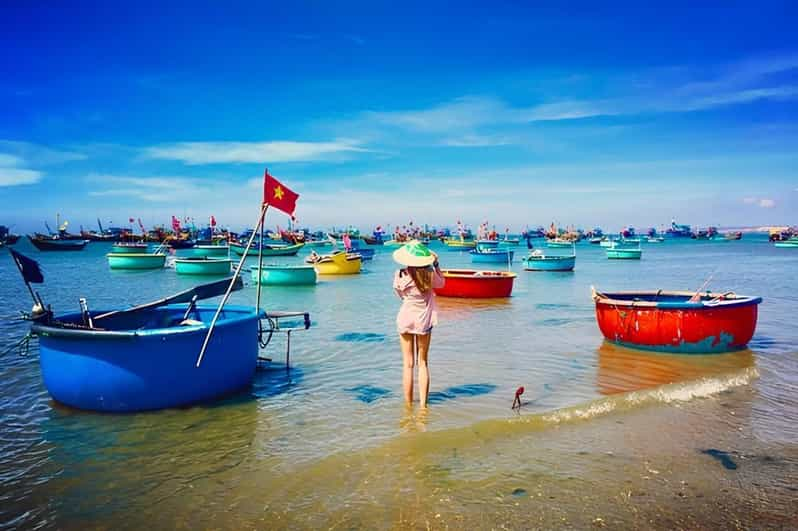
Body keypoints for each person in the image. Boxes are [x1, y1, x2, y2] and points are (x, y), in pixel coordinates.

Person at [392, 240, 445, 407]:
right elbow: (442, 283)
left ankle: (408, 405)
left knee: (407, 364)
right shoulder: (429, 274)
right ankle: (423, 406)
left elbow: (399, 294)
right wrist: (436, 264)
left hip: (405, 318)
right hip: (423, 320)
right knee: (422, 363)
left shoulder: (400, 274)